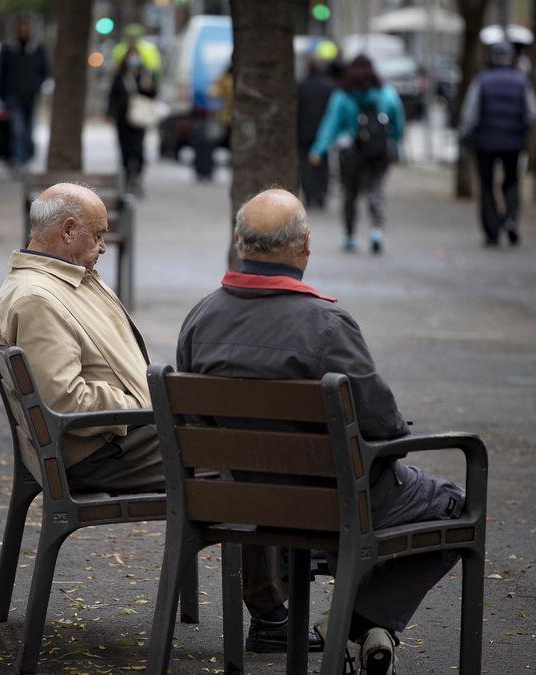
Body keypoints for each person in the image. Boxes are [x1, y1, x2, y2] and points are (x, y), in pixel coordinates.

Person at [0, 184, 305, 652]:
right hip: (101, 447)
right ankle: (272, 616)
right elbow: (66, 402)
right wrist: (152, 401)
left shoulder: (61, 278)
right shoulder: (40, 298)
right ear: (68, 230)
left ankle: (289, 579)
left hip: (122, 432)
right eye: (97, 236)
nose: (102, 247)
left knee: (238, 438)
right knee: (247, 463)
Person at [177, 188, 468, 674]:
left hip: (239, 501)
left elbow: (195, 423)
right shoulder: (327, 326)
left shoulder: (200, 319)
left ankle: (354, 626)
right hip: (332, 506)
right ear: (305, 246)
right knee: (452, 504)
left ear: (239, 241)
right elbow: (385, 427)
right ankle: (357, 621)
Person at [309, 55, 405, 254]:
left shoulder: (343, 95)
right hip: (379, 151)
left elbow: (331, 123)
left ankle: (350, 236)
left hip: (351, 152)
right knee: (376, 190)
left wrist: (318, 149)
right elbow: (398, 121)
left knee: (349, 194)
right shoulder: (386, 93)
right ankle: (376, 231)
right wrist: (395, 147)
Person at [459, 41, 536, 247]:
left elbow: (470, 115)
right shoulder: (521, 81)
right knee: (512, 183)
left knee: (486, 187)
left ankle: (492, 230)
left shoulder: (482, 80)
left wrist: (464, 135)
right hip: (513, 143)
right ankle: (511, 219)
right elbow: (533, 113)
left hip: (485, 143)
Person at [0, 18, 48, 170]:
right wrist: (1, 94)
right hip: (13, 95)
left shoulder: (37, 50)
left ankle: (27, 156)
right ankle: (19, 160)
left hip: (31, 95)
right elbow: (2, 74)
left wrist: (37, 85)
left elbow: (44, 71)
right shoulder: (9, 50)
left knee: (29, 128)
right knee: (18, 128)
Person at [107, 47, 158, 196]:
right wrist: (110, 114)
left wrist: (148, 87)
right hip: (123, 119)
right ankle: (128, 178)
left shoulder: (145, 74)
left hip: (139, 118)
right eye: (131, 56)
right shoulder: (120, 75)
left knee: (138, 149)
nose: (134, 60)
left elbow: (153, 94)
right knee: (125, 150)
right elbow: (113, 96)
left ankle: (137, 177)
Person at [298, 56, 337, 209]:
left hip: (304, 131)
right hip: (323, 132)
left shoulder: (302, 85)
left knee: (306, 165)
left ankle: (309, 195)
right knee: (323, 164)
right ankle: (321, 194)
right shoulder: (330, 86)